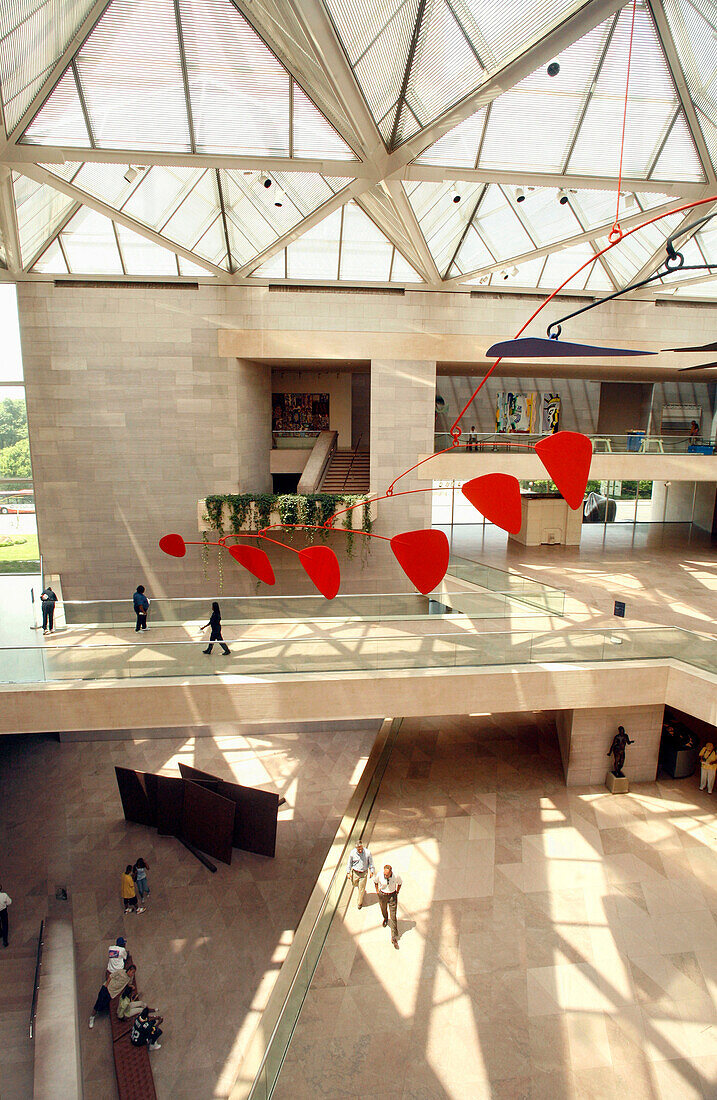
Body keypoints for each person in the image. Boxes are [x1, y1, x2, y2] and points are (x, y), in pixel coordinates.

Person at [374, 863, 402, 948]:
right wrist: (377, 891)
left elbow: (400, 883)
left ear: (390, 873)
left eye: (387, 874)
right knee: (383, 909)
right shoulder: (379, 874)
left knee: (393, 915)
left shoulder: (396, 876)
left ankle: (393, 937)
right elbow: (375, 882)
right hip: (382, 895)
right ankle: (385, 918)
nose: (385, 875)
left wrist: (397, 891)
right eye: (384, 874)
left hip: (392, 895)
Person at [346, 840, 375, 910]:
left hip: (363, 873)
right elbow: (349, 863)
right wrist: (348, 872)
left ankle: (359, 902)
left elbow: (371, 862)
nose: (360, 850)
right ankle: (359, 886)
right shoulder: (352, 853)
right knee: (354, 884)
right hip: (355, 873)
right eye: (358, 849)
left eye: (361, 848)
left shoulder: (367, 853)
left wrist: (372, 871)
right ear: (356, 848)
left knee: (361, 889)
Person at [0, 883, 11, 948]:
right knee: (5, 925)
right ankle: (5, 941)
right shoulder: (4, 895)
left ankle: (0, 933)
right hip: (3, 911)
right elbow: (9, 902)